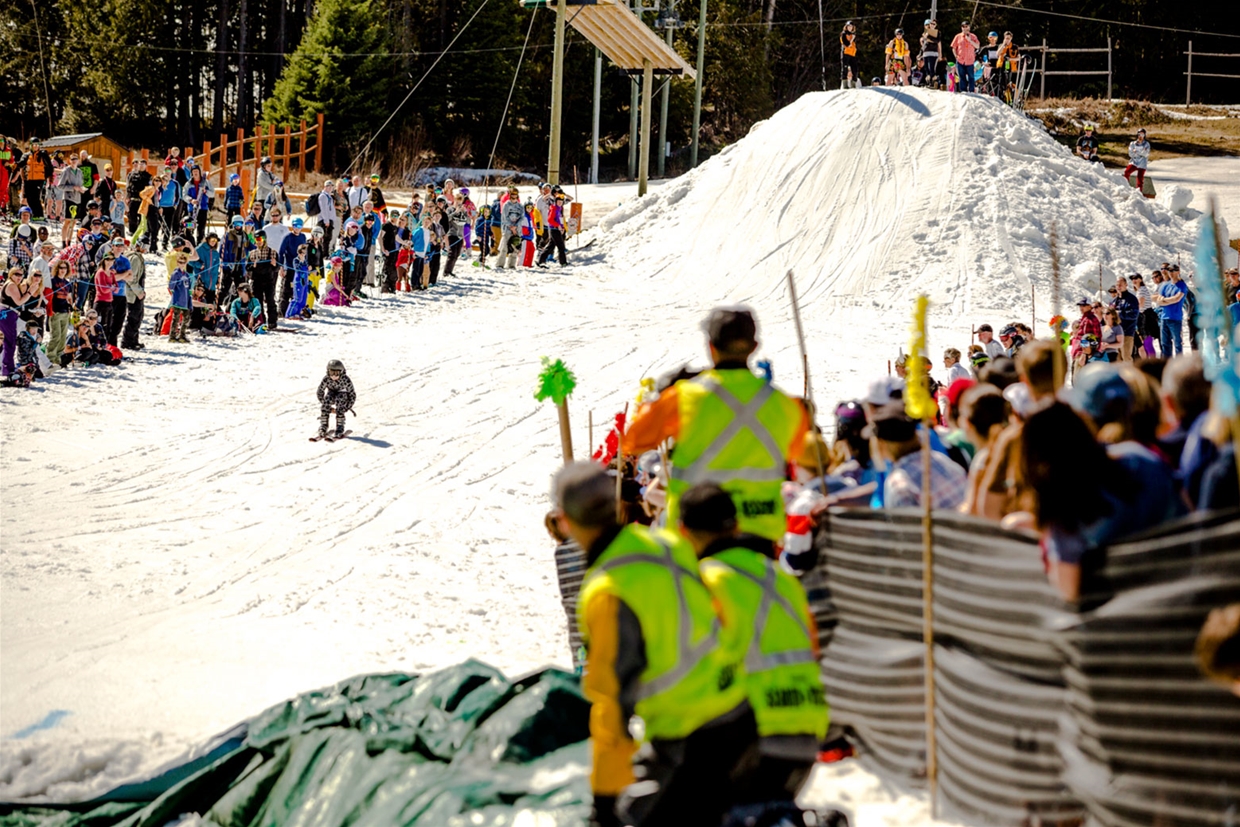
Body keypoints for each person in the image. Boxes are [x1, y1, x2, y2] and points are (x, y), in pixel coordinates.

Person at [551, 462, 749, 827]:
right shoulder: (669, 545)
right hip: (741, 711)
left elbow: (611, 706)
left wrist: (604, 803)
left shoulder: (605, 591)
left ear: (563, 521)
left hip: (690, 738)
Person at [678, 483, 826, 816]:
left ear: (683, 531)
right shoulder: (780, 578)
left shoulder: (705, 582)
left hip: (753, 736)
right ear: (735, 525)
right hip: (808, 730)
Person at [624, 307, 809, 546]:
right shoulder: (787, 406)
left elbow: (634, 441)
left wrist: (661, 394)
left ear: (711, 347)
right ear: (754, 346)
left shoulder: (684, 398)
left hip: (695, 531)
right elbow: (796, 452)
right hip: (760, 530)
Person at [315, 359, 355, 440]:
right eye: (331, 373)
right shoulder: (326, 379)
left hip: (342, 394)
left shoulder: (345, 380)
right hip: (331, 393)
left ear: (341, 372)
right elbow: (320, 391)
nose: (333, 376)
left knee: (340, 400)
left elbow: (352, 394)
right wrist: (325, 404)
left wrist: (347, 406)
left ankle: (340, 427)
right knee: (327, 401)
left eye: (336, 373)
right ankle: (323, 425)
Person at [120, 240, 147, 351]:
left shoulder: (137, 257)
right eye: (145, 246)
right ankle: (127, 341)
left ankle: (134, 339)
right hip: (133, 293)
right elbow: (132, 279)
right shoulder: (135, 258)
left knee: (138, 316)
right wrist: (139, 292)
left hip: (135, 292)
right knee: (134, 317)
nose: (146, 249)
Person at [1153, 266, 1186, 357]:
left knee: (1177, 343)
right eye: (1169, 271)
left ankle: (1179, 362)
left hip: (1175, 318)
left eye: (1173, 271)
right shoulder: (1165, 285)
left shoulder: (1181, 285)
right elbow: (1157, 299)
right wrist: (1167, 300)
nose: (1170, 273)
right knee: (1165, 343)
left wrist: (1164, 300)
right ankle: (1167, 362)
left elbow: (1177, 299)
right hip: (1164, 317)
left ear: (1178, 272)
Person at [950, 22, 980, 93]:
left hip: (970, 61)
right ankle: (963, 91)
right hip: (960, 60)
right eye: (963, 26)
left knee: (971, 77)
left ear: (969, 27)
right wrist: (956, 56)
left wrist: (970, 40)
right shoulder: (958, 36)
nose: (965, 28)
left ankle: (971, 91)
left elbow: (977, 46)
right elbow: (953, 47)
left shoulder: (973, 36)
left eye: (966, 26)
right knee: (961, 76)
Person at [919, 20, 941, 87]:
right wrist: (920, 53)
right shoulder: (925, 32)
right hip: (926, 52)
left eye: (934, 24)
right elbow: (924, 44)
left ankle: (933, 81)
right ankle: (929, 81)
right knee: (926, 68)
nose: (932, 25)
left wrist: (928, 37)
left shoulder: (938, 32)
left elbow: (937, 41)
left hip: (933, 52)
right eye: (931, 24)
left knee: (932, 68)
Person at [840, 21, 860, 89]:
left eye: (851, 26)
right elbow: (847, 44)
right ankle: (845, 85)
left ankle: (853, 84)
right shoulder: (843, 34)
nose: (850, 28)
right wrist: (852, 39)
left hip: (852, 54)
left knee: (855, 69)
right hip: (846, 53)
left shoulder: (853, 34)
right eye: (848, 26)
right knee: (845, 69)